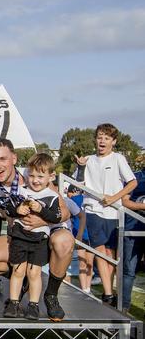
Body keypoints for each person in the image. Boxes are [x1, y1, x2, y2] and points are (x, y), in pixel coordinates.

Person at [0, 138, 73, 320]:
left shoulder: (33, 177)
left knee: (64, 241)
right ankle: (23, 282)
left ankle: (51, 294)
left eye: (3, 159)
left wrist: (42, 221)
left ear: (14, 158)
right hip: (22, 236)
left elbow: (65, 213)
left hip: (49, 232)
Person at [75, 123, 137, 305]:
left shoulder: (118, 158)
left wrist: (114, 198)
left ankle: (109, 291)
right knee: (100, 251)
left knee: (110, 254)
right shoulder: (88, 159)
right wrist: (80, 168)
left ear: (113, 141)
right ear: (95, 140)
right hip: (93, 208)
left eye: (106, 138)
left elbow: (132, 182)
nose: (102, 141)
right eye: (100, 137)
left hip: (113, 212)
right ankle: (108, 294)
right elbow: (77, 184)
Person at [2, 153, 61, 320]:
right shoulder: (21, 191)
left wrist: (41, 210)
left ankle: (33, 305)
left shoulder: (52, 196)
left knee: (34, 273)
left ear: (51, 176)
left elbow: (56, 217)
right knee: (18, 271)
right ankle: (14, 303)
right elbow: (8, 209)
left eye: (40, 176)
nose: (35, 180)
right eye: (32, 175)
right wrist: (17, 210)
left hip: (39, 240)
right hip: (20, 237)